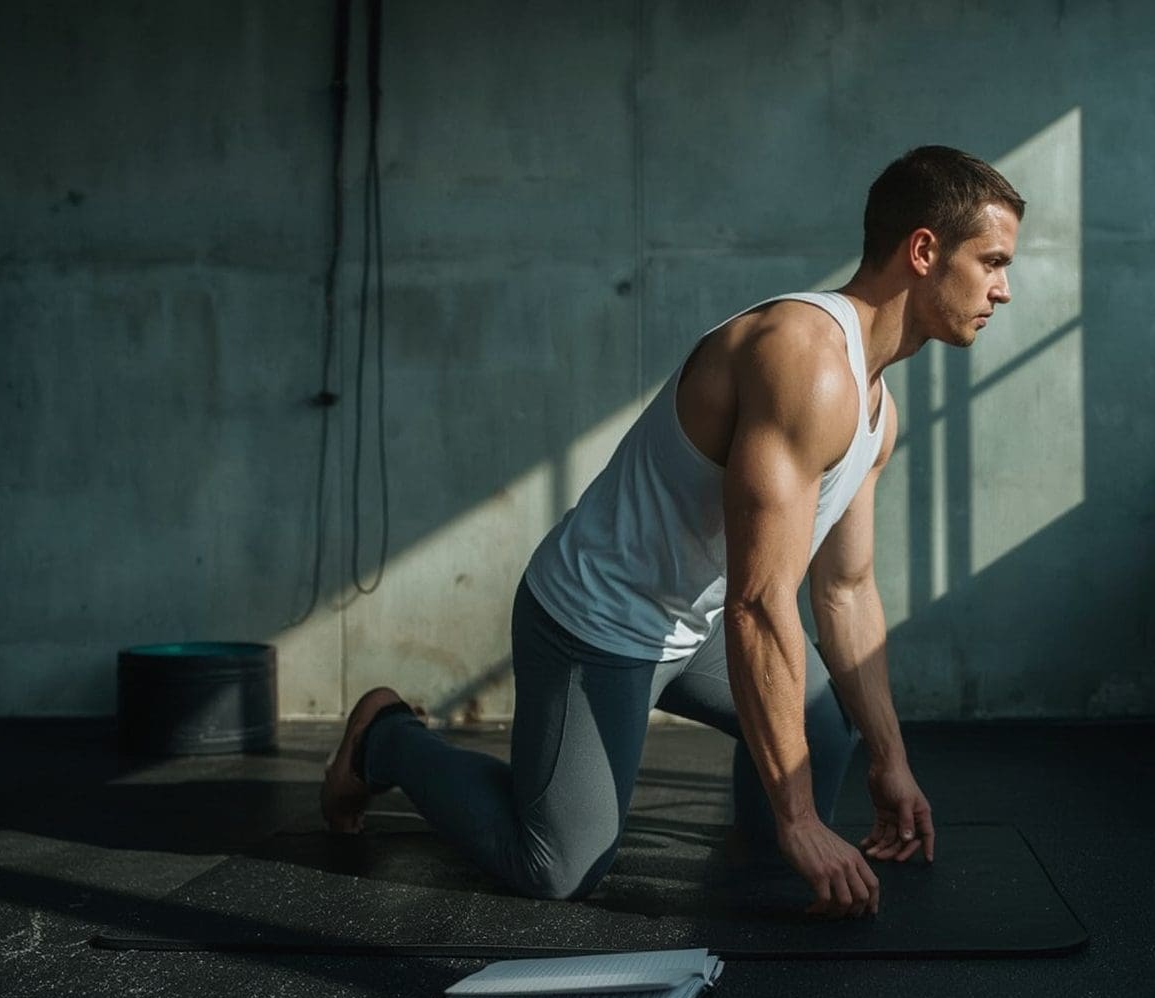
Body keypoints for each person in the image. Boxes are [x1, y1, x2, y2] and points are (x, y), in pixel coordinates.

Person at [320, 145, 1023, 919]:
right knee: (557, 868)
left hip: (701, 620)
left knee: (825, 731)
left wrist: (892, 764)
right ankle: (384, 737)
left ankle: (766, 860)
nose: (1004, 290)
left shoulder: (876, 411)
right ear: (924, 251)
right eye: (991, 261)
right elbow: (762, 601)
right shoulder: (807, 363)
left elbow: (847, 590)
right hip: (600, 619)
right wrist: (800, 818)